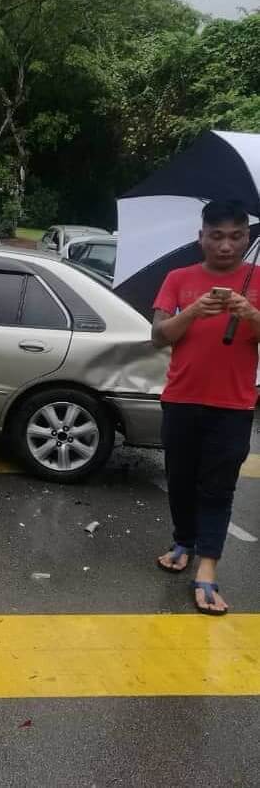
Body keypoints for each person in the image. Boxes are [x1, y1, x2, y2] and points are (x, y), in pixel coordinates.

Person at [152, 199, 260, 616]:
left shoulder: (257, 280)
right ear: (201, 237)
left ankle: (208, 566)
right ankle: (184, 541)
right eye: (216, 236)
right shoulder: (178, 278)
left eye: (235, 236)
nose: (226, 245)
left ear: (246, 238)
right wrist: (195, 311)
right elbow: (159, 336)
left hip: (233, 405)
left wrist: (250, 313)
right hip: (180, 399)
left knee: (218, 487)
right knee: (179, 480)